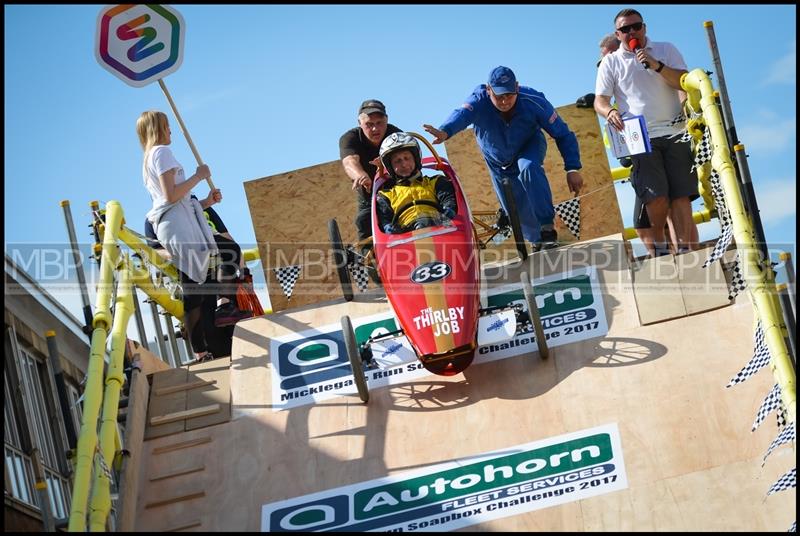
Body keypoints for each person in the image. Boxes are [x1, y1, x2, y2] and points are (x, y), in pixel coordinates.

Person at [424, 66, 584, 251]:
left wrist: (572, 169)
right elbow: (462, 114)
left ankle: (547, 228)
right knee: (514, 208)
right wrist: (445, 130)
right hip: (497, 162)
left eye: (509, 94)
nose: (504, 101)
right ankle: (536, 240)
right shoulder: (478, 100)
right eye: (498, 96)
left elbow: (563, 134)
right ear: (488, 89)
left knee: (529, 168)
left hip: (528, 146)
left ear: (517, 87)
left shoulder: (534, 100)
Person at [136, 111, 246, 362]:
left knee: (195, 287)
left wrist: (206, 202)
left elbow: (176, 201)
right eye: (167, 126)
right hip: (178, 226)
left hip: (176, 223)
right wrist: (198, 175)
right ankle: (226, 304)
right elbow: (171, 195)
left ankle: (200, 348)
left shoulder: (148, 158)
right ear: (159, 128)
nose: (171, 131)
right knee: (227, 251)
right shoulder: (161, 153)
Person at [594, 8, 699, 257]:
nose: (632, 32)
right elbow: (600, 101)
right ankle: (662, 248)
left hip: (676, 131)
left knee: (681, 196)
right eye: (625, 29)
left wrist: (657, 65)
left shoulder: (666, 49)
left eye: (636, 26)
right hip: (639, 137)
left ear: (645, 28)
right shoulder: (610, 62)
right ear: (618, 34)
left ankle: (686, 252)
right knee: (656, 197)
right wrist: (609, 112)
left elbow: (683, 81)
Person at [144, 193, 252, 328]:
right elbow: (155, 250)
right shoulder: (153, 218)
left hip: (219, 270)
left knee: (234, 325)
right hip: (194, 274)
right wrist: (180, 254)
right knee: (210, 329)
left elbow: (227, 238)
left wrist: (244, 271)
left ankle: (224, 306)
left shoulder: (198, 205)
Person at [339, 99, 402, 242]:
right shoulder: (350, 139)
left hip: (399, 191)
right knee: (364, 221)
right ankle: (369, 260)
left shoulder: (396, 135)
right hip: (369, 195)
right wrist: (360, 175)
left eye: (379, 123)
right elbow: (350, 161)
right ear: (359, 123)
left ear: (387, 120)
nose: (375, 129)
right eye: (369, 124)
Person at [375, 133, 457, 233]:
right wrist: (389, 228)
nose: (404, 164)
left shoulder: (436, 182)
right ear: (390, 167)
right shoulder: (386, 195)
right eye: (397, 161)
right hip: (407, 235)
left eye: (407, 158)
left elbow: (449, 202)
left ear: (416, 159)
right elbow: (385, 221)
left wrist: (448, 212)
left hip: (440, 228)